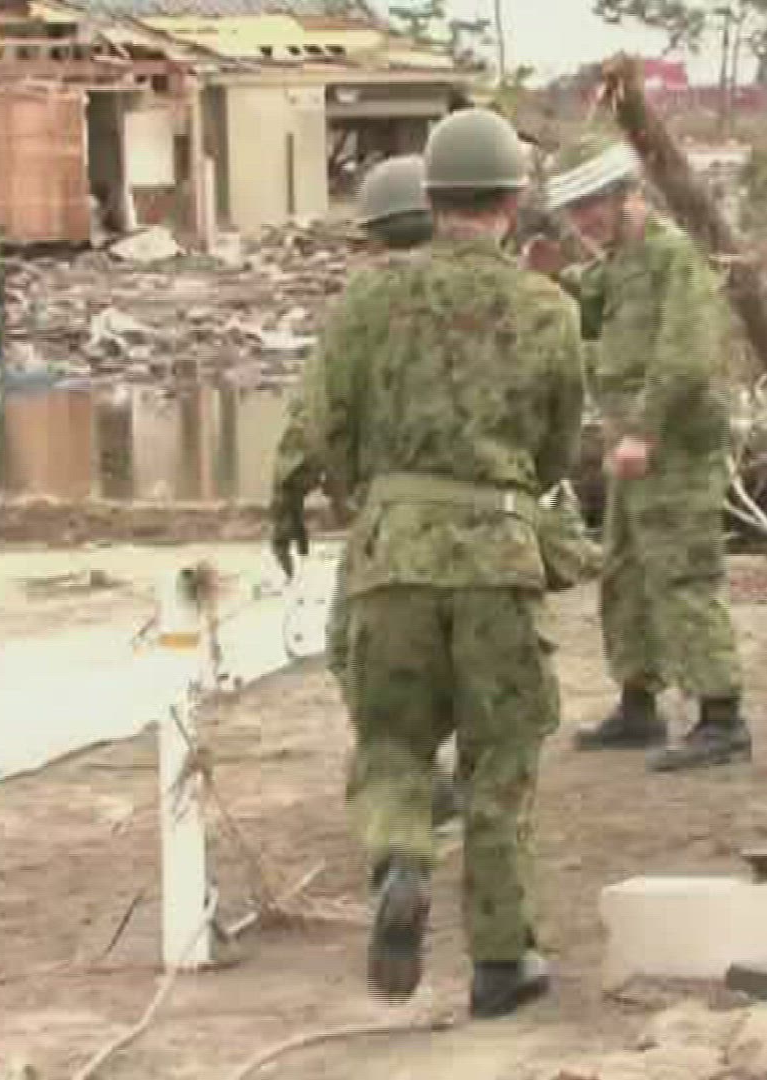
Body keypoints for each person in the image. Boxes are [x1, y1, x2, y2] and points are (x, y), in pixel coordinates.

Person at [302, 107, 586, 1015]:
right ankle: (501, 963)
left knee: (391, 742)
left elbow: (326, 426)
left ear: (429, 199)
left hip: (392, 555)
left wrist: (379, 499)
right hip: (499, 557)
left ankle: (401, 860)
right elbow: (558, 448)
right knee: (501, 764)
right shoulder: (549, 307)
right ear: (513, 199)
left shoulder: (367, 300)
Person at [541, 134, 751, 772]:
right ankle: (638, 703)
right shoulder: (616, 264)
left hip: (676, 447)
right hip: (633, 445)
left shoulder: (672, 257)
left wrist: (644, 430)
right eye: (574, 212)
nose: (583, 223)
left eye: (591, 207)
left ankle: (722, 716)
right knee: (627, 576)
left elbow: (685, 356)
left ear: (626, 196)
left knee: (683, 574)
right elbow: (591, 318)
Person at [271, 154, 459, 829]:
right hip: (496, 525)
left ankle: (411, 795)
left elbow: (316, 419)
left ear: (375, 233)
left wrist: (291, 499)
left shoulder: (362, 306)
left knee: (357, 651)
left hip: (390, 527)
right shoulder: (503, 294)